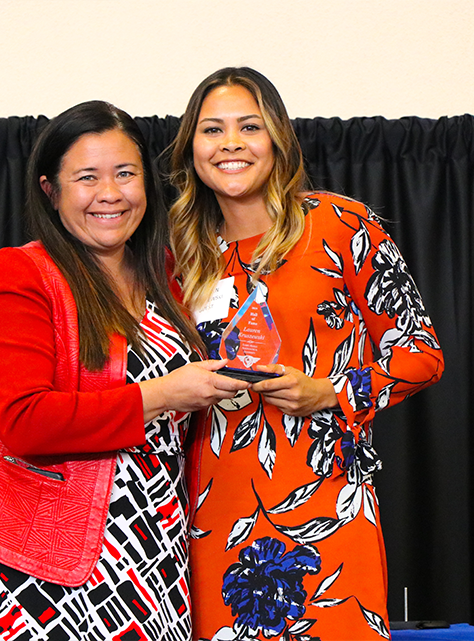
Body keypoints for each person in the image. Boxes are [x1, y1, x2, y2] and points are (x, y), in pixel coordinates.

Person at [0, 101, 249, 641]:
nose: (111, 193)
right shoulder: (21, 275)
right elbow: (25, 421)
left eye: (126, 174)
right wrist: (163, 394)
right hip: (38, 566)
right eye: (87, 178)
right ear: (51, 192)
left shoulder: (164, 278)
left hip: (152, 558)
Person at [169, 67, 444, 640]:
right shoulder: (174, 248)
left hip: (327, 500)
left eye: (250, 126)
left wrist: (333, 391)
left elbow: (421, 351)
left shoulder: (340, 224)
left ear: (278, 139)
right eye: (211, 130)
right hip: (208, 507)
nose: (231, 144)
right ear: (190, 146)